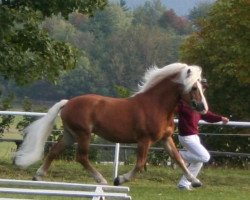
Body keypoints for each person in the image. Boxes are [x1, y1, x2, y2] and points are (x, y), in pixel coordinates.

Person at [176, 79, 229, 190]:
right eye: (201, 87)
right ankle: (178, 155)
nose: (203, 89)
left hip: (194, 136)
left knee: (198, 162)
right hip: (186, 137)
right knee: (205, 157)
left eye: (204, 87)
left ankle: (183, 184)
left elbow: (207, 115)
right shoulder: (183, 103)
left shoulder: (198, 105)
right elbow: (171, 108)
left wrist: (220, 118)